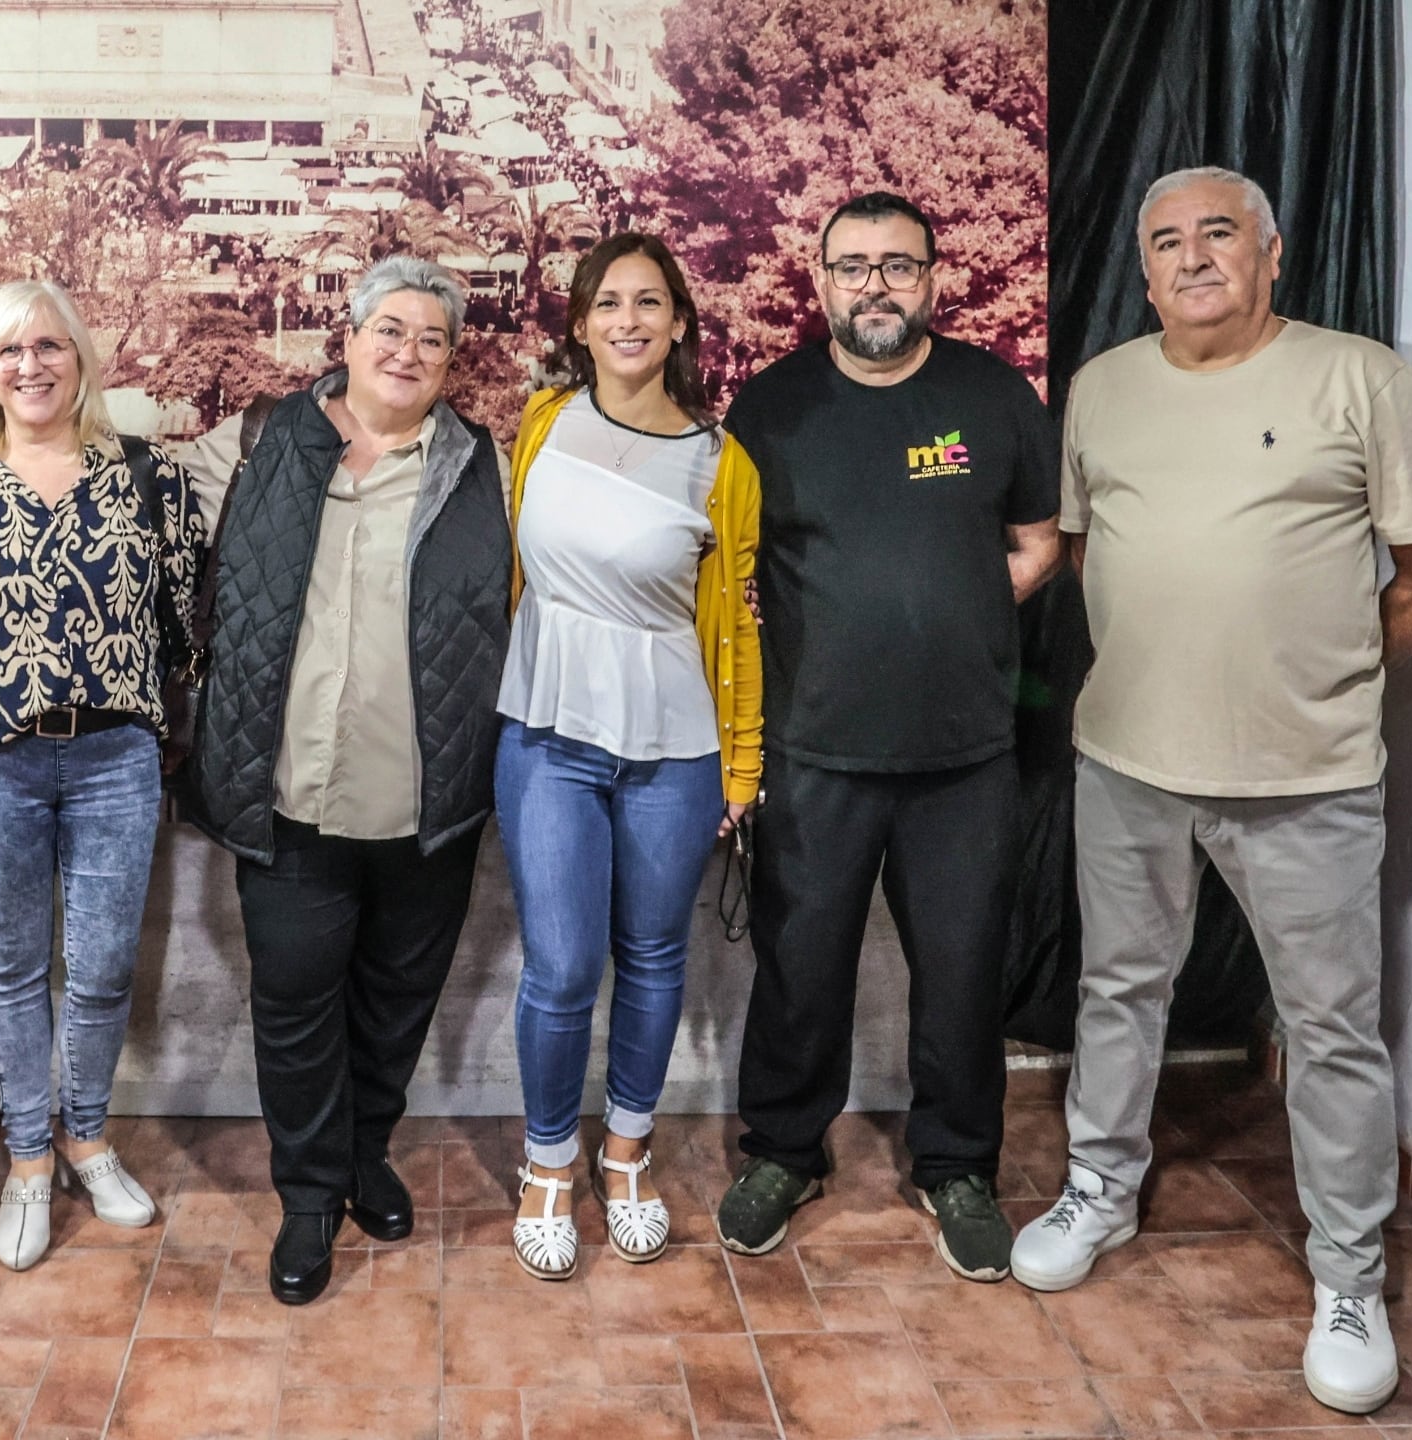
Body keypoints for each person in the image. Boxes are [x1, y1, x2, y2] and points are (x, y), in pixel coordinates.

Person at [1011, 166, 1412, 1417]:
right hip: (1128, 765)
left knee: (1329, 1031)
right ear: (1144, 267)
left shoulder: (1356, 376)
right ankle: (1100, 1189)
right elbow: (1093, 555)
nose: (1192, 256)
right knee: (1117, 991)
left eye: (1220, 232)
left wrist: (1320, 683)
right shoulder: (1101, 389)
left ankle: (1349, 1276)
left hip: (1306, 778)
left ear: (1272, 252)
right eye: (1166, 240)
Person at [710, 192, 1061, 1281]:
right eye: (852, 267)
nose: (875, 286)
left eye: (897, 267)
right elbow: (730, 572)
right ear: (818, 282)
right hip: (815, 753)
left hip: (965, 757)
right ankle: (781, 1152)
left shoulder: (993, 396)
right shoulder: (768, 411)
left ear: (931, 279)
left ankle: (954, 1165)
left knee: (960, 975)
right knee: (798, 969)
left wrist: (950, 621)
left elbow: (1038, 544)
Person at [182, 256, 512, 1304]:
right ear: (350, 333)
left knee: (395, 998)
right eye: (390, 329)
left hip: (427, 797)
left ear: (451, 361)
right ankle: (313, 1191)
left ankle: (368, 1147)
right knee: (293, 1001)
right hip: (289, 792)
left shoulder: (479, 466)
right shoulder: (265, 441)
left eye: (431, 339)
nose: (406, 352)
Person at [0, 279, 203, 1272]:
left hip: (116, 758)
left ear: (81, 356)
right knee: (12, 968)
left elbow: (187, 628)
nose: (29, 366)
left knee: (105, 966)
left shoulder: (149, 477)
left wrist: (154, 719)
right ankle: (30, 1160)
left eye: (47, 345)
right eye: (5, 352)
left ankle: (87, 1139)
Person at [497, 234, 760, 1279]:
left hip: (674, 744)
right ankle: (549, 1164)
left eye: (652, 302)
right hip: (546, 732)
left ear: (681, 323)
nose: (630, 320)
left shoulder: (720, 463)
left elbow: (737, 627)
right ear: (579, 324)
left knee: (654, 958)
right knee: (561, 968)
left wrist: (739, 768)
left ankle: (626, 1153)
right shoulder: (541, 423)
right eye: (609, 303)